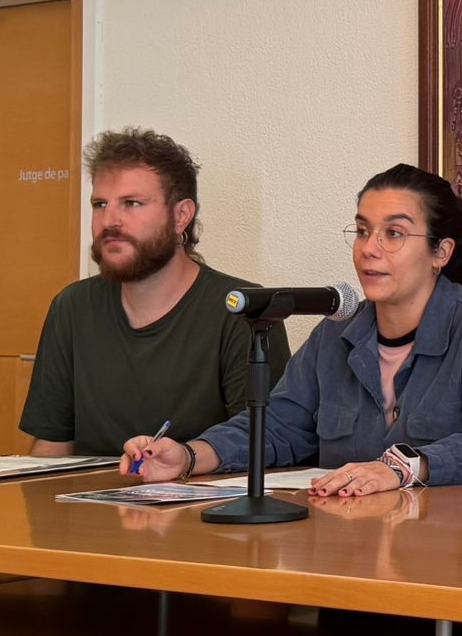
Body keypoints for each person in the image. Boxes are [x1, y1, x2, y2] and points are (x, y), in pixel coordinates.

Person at [128, 165, 462, 494]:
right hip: (348, 542)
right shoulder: (336, 334)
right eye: (362, 231)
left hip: (453, 550)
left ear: (440, 253)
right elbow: (279, 427)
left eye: (393, 233)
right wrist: (188, 455)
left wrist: (403, 468)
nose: (369, 248)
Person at [20, 128, 289, 459]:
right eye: (99, 204)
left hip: (202, 506)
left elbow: (264, 447)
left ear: (180, 216)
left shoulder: (243, 310)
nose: (109, 221)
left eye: (132, 203)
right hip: (87, 506)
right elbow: (50, 448)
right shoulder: (72, 307)